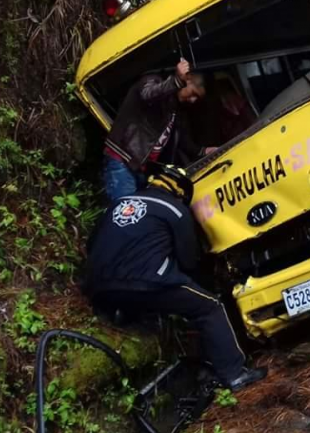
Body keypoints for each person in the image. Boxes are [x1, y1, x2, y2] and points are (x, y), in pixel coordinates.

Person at [84, 164, 267, 391]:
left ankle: (122, 313)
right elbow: (189, 261)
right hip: (149, 282)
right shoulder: (174, 210)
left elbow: (91, 244)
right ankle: (235, 374)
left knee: (142, 299)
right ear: (180, 192)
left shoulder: (118, 205)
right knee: (209, 307)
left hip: (99, 287)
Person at [102, 58, 212, 202]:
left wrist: (203, 151)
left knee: (138, 213)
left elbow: (182, 140)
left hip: (140, 167)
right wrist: (177, 81)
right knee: (127, 214)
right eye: (193, 93)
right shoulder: (152, 80)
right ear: (188, 79)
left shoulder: (174, 107)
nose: (192, 100)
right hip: (123, 160)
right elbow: (148, 94)